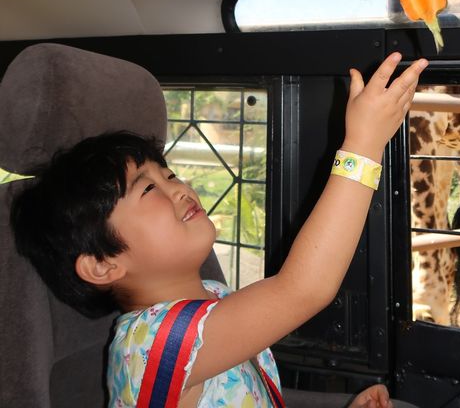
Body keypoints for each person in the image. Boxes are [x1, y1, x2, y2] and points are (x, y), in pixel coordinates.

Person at [11, 52, 427, 407]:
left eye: (169, 174)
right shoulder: (149, 344)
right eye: (148, 189)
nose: (179, 187)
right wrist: (363, 145)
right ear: (103, 265)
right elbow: (304, 289)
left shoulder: (213, 295)